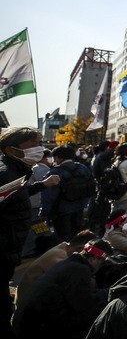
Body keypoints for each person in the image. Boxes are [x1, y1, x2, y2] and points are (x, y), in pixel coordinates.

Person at [0, 128, 60, 337]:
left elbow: (17, 194)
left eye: (41, 143)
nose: (40, 149)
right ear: (11, 150)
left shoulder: (17, 172)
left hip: (9, 251)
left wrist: (41, 185)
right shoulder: (5, 174)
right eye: (34, 145)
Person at [12, 238, 113, 339]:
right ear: (94, 258)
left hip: (27, 322)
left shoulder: (69, 263)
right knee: (103, 306)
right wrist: (108, 292)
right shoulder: (79, 270)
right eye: (102, 262)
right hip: (35, 329)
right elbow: (83, 303)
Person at [14, 229, 95, 307]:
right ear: (80, 248)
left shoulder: (64, 248)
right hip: (29, 305)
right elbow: (72, 286)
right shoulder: (59, 258)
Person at [40, 144, 93, 241]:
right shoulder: (83, 168)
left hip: (61, 210)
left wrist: (44, 212)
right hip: (80, 207)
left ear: (57, 157)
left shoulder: (56, 171)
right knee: (77, 235)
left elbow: (49, 195)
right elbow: (89, 186)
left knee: (62, 237)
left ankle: (64, 255)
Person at [22, 148, 53, 257]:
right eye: (50, 156)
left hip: (31, 201)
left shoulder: (36, 167)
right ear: (44, 158)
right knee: (35, 227)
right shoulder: (42, 169)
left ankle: (33, 248)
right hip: (35, 202)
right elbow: (46, 187)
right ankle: (28, 250)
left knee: (36, 227)